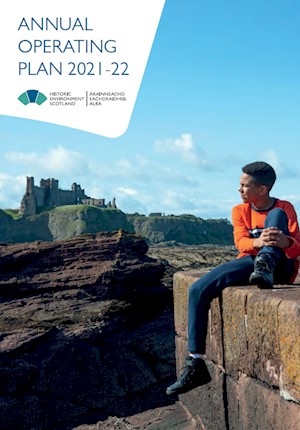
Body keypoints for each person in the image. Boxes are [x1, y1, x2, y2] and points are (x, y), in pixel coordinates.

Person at [166, 161, 300, 396]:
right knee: (197, 289)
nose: (239, 190)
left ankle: (266, 262)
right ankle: (195, 363)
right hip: (253, 264)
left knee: (276, 217)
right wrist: (260, 242)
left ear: (262, 189)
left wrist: (283, 243)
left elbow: (296, 247)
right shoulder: (240, 211)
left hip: (281, 268)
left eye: (244, 186)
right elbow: (241, 243)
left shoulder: (284, 207)